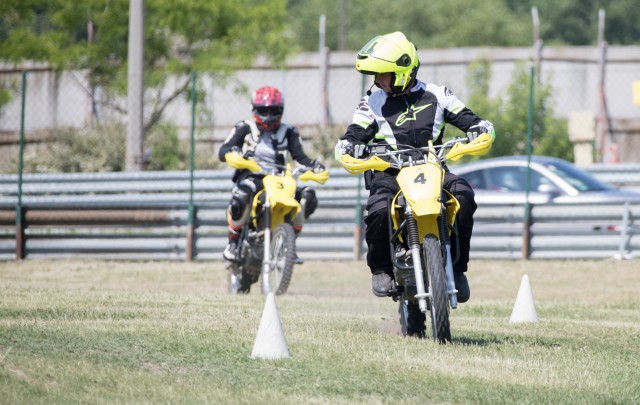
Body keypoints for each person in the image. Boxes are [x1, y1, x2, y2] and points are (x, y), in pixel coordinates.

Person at [335, 32, 495, 302]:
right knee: (379, 209)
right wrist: (349, 147)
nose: (377, 80)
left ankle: (457, 269)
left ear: (402, 71)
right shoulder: (372, 102)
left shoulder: (438, 94)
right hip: (393, 174)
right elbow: (353, 135)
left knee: (464, 196)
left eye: (382, 74)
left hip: (435, 170)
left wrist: (479, 131)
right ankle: (382, 269)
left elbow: (474, 121)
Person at [219, 85, 326, 262]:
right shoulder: (244, 127)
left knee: (308, 196)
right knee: (241, 197)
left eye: (273, 111)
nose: (268, 116)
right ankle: (233, 241)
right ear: (255, 109)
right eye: (263, 110)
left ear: (280, 110)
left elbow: (300, 157)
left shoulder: (289, 131)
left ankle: (288, 244)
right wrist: (233, 154)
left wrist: (314, 166)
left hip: (280, 179)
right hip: (253, 176)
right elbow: (224, 149)